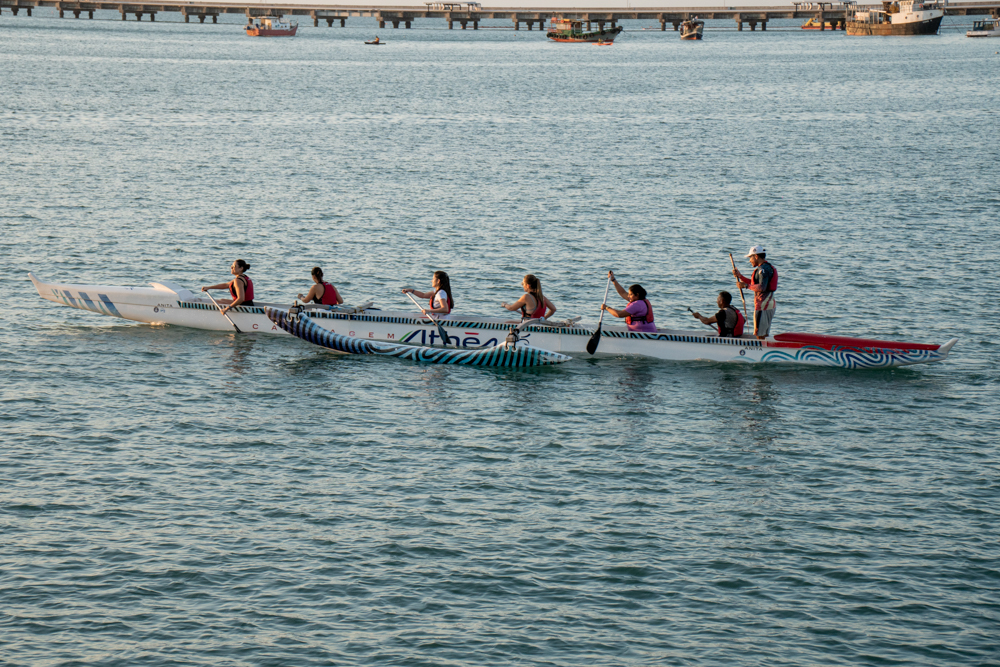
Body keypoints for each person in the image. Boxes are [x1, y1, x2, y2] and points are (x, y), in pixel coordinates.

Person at [733, 245, 778, 339]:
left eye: (751, 257)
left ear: (756, 256)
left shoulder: (762, 270)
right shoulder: (767, 267)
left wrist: (746, 286)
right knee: (764, 333)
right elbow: (755, 283)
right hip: (769, 304)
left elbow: (762, 287)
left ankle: (760, 347)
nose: (750, 260)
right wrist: (740, 277)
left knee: (759, 334)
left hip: (763, 306)